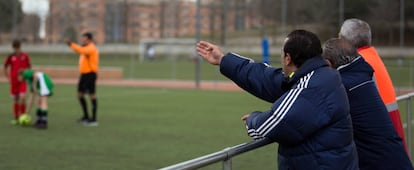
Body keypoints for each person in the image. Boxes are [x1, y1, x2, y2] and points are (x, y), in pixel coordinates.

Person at [196, 30, 358, 169]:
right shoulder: (317, 75)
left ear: (288, 58)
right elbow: (265, 78)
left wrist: (253, 119)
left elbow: (274, 123)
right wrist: (223, 60)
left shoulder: (311, 87)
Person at [322, 38, 412, 170]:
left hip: (379, 164)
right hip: (396, 159)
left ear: (329, 63)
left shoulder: (342, 86)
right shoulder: (362, 76)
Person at [339, 18, 407, 150]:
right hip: (390, 139)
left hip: (379, 142)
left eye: (339, 38)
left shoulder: (360, 64)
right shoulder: (371, 57)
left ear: (345, 41)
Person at [65, 32, 99, 126]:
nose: (83, 41)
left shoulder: (91, 48)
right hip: (84, 75)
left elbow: (80, 51)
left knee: (92, 95)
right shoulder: (85, 47)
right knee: (80, 95)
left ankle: (94, 119)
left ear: (89, 39)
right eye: (82, 39)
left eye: (84, 39)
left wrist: (70, 44)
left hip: (90, 74)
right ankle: (86, 116)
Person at [4, 40, 31, 125]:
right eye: (15, 48)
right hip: (14, 81)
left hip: (22, 81)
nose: (17, 50)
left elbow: (29, 67)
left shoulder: (25, 56)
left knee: (22, 98)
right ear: (13, 48)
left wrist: (25, 74)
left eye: (18, 48)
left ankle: (23, 116)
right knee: (15, 99)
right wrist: (8, 78)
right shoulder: (10, 57)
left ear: (20, 47)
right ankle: (16, 117)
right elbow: (5, 67)